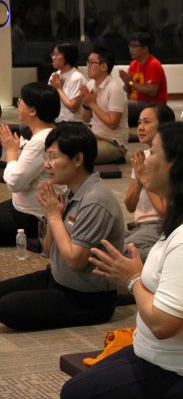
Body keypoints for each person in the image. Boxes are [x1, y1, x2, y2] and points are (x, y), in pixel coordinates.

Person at [60, 122, 183, 399]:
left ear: (175, 167)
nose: (144, 160)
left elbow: (163, 325)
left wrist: (132, 279)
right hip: (165, 357)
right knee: (80, 386)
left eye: (154, 152)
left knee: (75, 394)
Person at [0, 123, 124, 331]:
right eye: (46, 157)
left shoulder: (96, 201)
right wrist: (52, 215)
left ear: (78, 159)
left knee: (6, 308)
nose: (47, 165)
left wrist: (54, 216)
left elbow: (75, 261)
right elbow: (48, 249)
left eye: (54, 157)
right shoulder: (70, 192)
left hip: (87, 298)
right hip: (57, 279)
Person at [0, 83, 57, 245]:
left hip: (33, 217)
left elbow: (14, 183)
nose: (18, 104)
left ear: (32, 110)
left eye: (21, 101)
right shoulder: (47, 134)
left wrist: (11, 152)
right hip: (22, 207)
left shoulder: (41, 141)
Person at [124, 103, 175, 261]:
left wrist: (145, 179)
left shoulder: (169, 158)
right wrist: (140, 181)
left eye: (147, 122)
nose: (140, 127)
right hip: (139, 225)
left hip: (159, 225)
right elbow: (130, 206)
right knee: (103, 243)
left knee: (117, 252)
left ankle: (167, 254)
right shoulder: (143, 157)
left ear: (163, 126)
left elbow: (164, 212)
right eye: (139, 122)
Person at [80, 46, 129, 164]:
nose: (88, 66)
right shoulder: (91, 84)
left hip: (114, 143)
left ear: (104, 67)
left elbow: (112, 123)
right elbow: (86, 119)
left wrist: (91, 103)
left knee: (79, 157)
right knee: (66, 147)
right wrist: (86, 105)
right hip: (95, 137)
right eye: (87, 62)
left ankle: (117, 156)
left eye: (91, 63)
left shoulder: (114, 88)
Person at [118, 32, 168, 127]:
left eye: (134, 46)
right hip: (137, 103)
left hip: (153, 106)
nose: (131, 49)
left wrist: (131, 82)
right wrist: (126, 82)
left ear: (145, 48)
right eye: (130, 46)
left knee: (120, 106)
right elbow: (128, 90)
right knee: (113, 102)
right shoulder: (133, 64)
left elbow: (152, 91)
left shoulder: (153, 64)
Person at [48, 43, 86, 122]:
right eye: (52, 54)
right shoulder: (54, 75)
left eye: (56, 54)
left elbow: (73, 108)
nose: (53, 58)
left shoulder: (76, 77)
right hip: (56, 121)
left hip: (73, 123)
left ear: (67, 56)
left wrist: (58, 89)